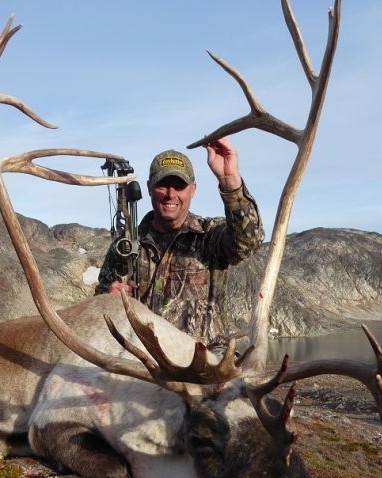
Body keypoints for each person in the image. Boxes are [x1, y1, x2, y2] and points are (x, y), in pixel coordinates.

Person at [95, 137, 264, 348]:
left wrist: (230, 181)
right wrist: (109, 299)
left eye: (179, 186)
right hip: (145, 360)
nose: (170, 194)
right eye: (162, 185)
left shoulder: (209, 235)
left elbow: (248, 240)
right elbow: (99, 300)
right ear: (149, 188)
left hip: (203, 359)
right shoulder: (126, 245)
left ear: (193, 189)